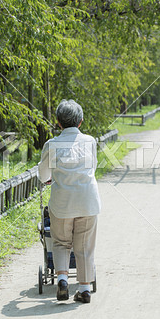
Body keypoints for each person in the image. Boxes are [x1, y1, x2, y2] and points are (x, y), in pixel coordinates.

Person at [37, 99, 101, 303]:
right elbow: (92, 168)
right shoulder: (90, 141)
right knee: (84, 245)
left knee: (61, 242)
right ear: (80, 122)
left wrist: (49, 178)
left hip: (62, 203)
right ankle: (84, 289)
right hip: (88, 201)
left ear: (58, 122)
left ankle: (63, 279)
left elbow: (43, 174)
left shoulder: (52, 144)